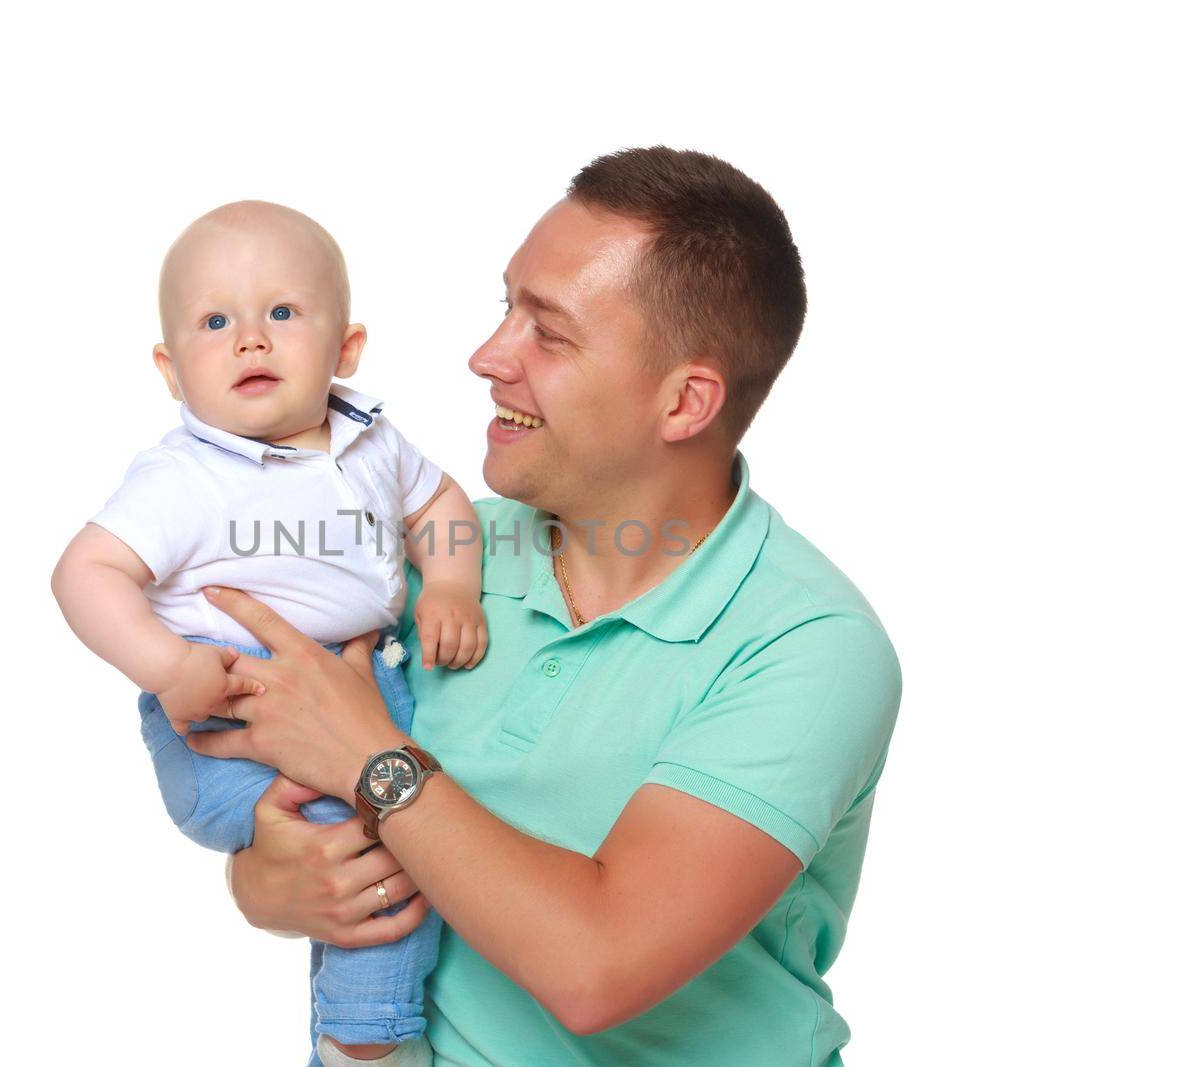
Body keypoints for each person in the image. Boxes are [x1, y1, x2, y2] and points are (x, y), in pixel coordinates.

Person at [184, 147, 904, 1066]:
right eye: (505, 308)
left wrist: (372, 756)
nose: (488, 358)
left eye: (550, 334)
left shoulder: (808, 647)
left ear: (685, 401)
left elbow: (595, 964)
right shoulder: (431, 553)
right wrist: (267, 881)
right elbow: (288, 814)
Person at [49, 201, 489, 1067]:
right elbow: (84, 574)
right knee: (380, 855)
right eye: (216, 322)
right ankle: (368, 1043)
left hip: (365, 686)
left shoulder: (372, 436)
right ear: (172, 371)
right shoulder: (184, 476)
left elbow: (441, 504)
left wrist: (450, 584)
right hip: (231, 709)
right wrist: (172, 665)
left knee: (413, 831)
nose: (250, 339)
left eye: (281, 313)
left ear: (346, 349)